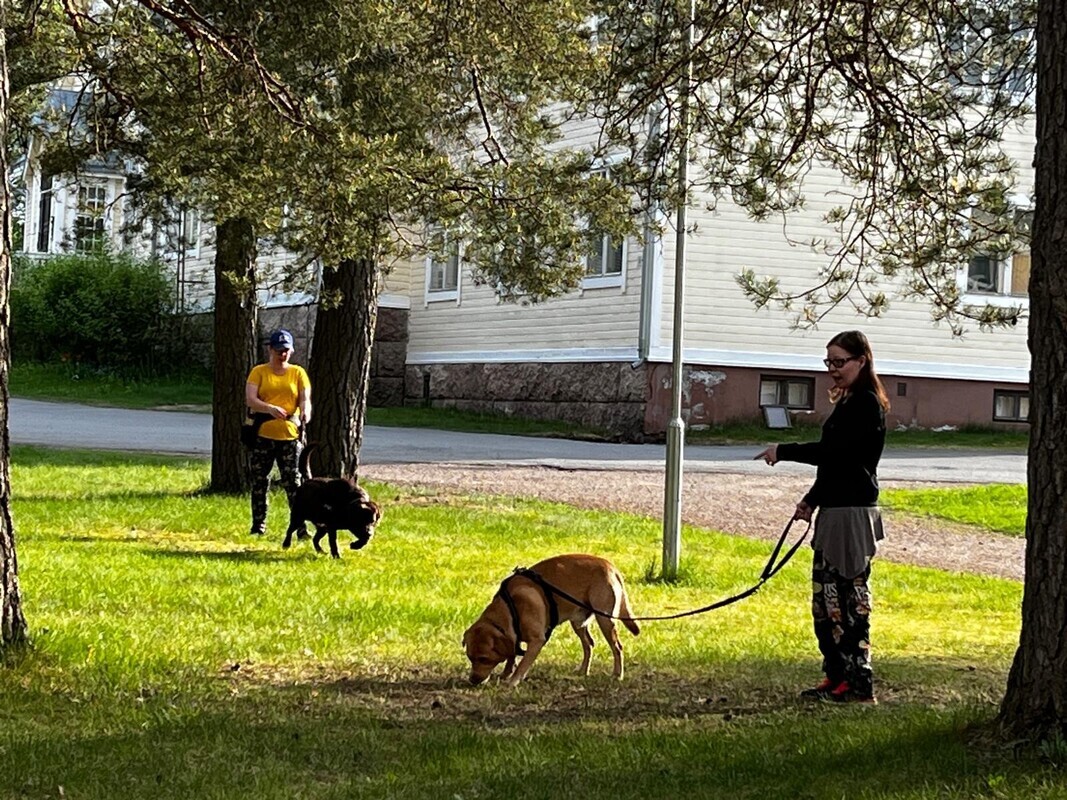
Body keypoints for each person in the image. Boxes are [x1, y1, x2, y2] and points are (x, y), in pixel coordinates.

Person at [754, 330, 890, 704]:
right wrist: (812, 500)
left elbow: (834, 454)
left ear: (861, 360)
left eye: (839, 362)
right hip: (835, 510)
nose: (832, 369)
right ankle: (836, 675)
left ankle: (857, 682)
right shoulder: (849, 401)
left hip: (852, 516)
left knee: (849, 602)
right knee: (826, 602)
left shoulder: (865, 403)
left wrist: (782, 450)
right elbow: (837, 465)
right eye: (828, 362)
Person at [245, 329, 312, 536]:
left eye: (286, 350)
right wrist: (269, 408)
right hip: (263, 436)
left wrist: (305, 412)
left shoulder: (298, 373)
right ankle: (259, 525)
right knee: (259, 480)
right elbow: (251, 400)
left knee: (293, 482)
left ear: (291, 351)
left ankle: (300, 527)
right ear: (270, 350)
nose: (282, 354)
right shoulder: (259, 371)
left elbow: (304, 399)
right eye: (278, 350)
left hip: (290, 437)